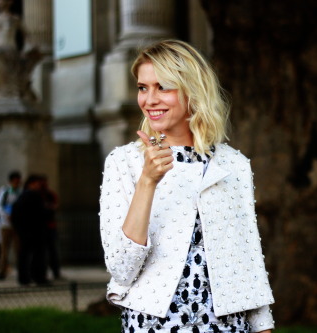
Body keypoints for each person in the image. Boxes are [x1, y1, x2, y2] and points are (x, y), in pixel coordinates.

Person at [100, 40, 275, 333]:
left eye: (163, 87)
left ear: (193, 91)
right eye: (143, 87)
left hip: (229, 325)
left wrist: (263, 327)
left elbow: (247, 261)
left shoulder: (233, 165)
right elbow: (121, 268)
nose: (149, 99)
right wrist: (147, 181)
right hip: (154, 325)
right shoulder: (124, 162)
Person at [11, 174, 49, 286]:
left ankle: (25, 278)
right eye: (38, 184)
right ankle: (37, 277)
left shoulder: (23, 196)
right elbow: (39, 214)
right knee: (36, 255)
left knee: (25, 255)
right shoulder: (33, 196)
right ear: (31, 184)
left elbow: (16, 215)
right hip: (34, 231)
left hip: (26, 231)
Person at [0, 170, 21, 281]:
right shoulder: (5, 191)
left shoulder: (20, 192)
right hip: (5, 225)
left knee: (18, 249)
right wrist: (6, 215)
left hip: (17, 225)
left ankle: (21, 270)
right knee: (4, 250)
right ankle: (2, 271)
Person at [39, 175, 63, 280]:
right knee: (44, 252)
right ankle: (45, 273)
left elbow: (55, 205)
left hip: (50, 226)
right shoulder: (38, 194)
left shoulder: (50, 194)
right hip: (42, 226)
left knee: (52, 251)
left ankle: (55, 272)